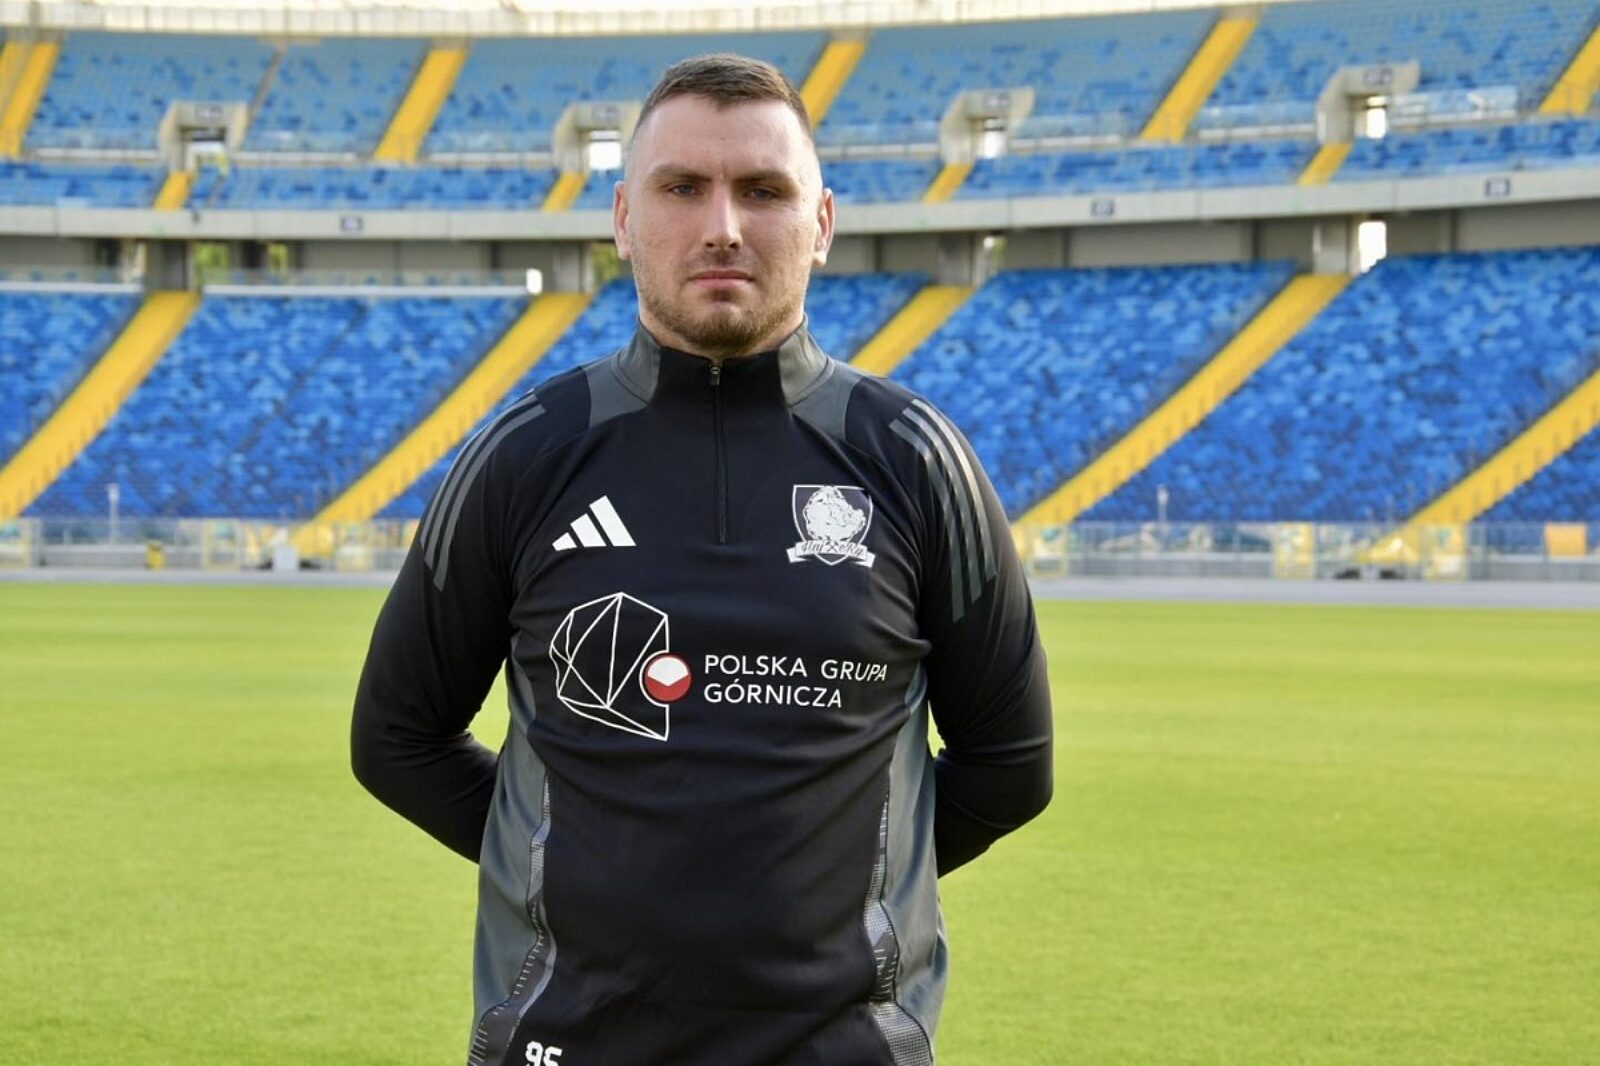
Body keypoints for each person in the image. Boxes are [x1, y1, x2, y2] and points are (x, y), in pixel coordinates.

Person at [351, 52, 1053, 1066]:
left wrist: (832, 886)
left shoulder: (913, 457)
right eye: (681, 187)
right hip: (566, 1042)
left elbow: (1010, 764)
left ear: (821, 223)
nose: (722, 224)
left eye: (764, 190)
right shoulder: (526, 454)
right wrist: (571, 867)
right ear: (623, 218)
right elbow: (397, 737)